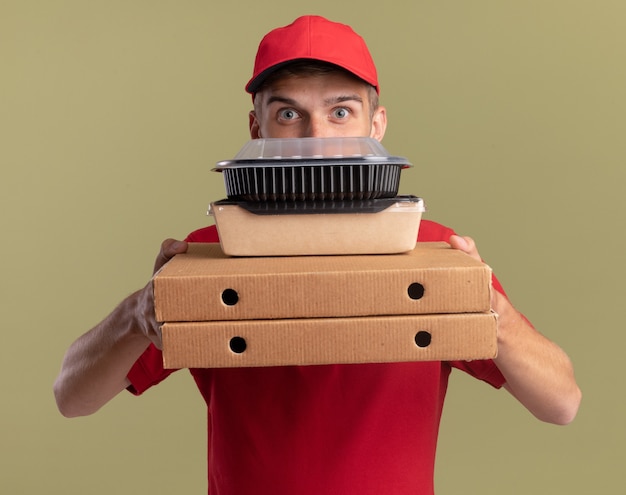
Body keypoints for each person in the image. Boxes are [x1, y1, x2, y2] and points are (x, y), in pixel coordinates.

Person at [54, 15, 581, 494]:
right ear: (257, 128)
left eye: (341, 111)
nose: (316, 138)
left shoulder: (430, 250)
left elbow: (562, 404)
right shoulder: (211, 254)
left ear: (376, 127)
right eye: (289, 113)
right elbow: (71, 398)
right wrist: (137, 315)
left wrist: (494, 315)